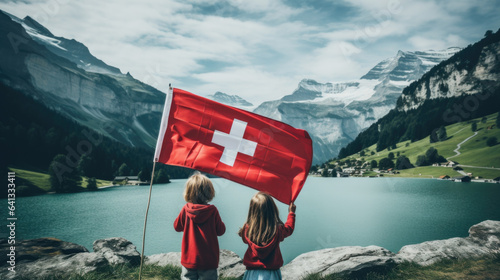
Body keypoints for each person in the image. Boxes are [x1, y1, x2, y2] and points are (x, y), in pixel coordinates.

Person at [174, 172, 226, 280]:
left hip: (189, 260)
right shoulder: (212, 210)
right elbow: (221, 231)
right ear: (209, 192)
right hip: (208, 261)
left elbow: (177, 227)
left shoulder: (186, 209)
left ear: (188, 192)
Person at [238, 191, 296, 280]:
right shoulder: (277, 230)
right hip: (272, 273)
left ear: (252, 211)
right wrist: (291, 213)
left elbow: (245, 240)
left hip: (252, 273)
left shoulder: (248, 229)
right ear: (272, 210)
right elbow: (289, 229)